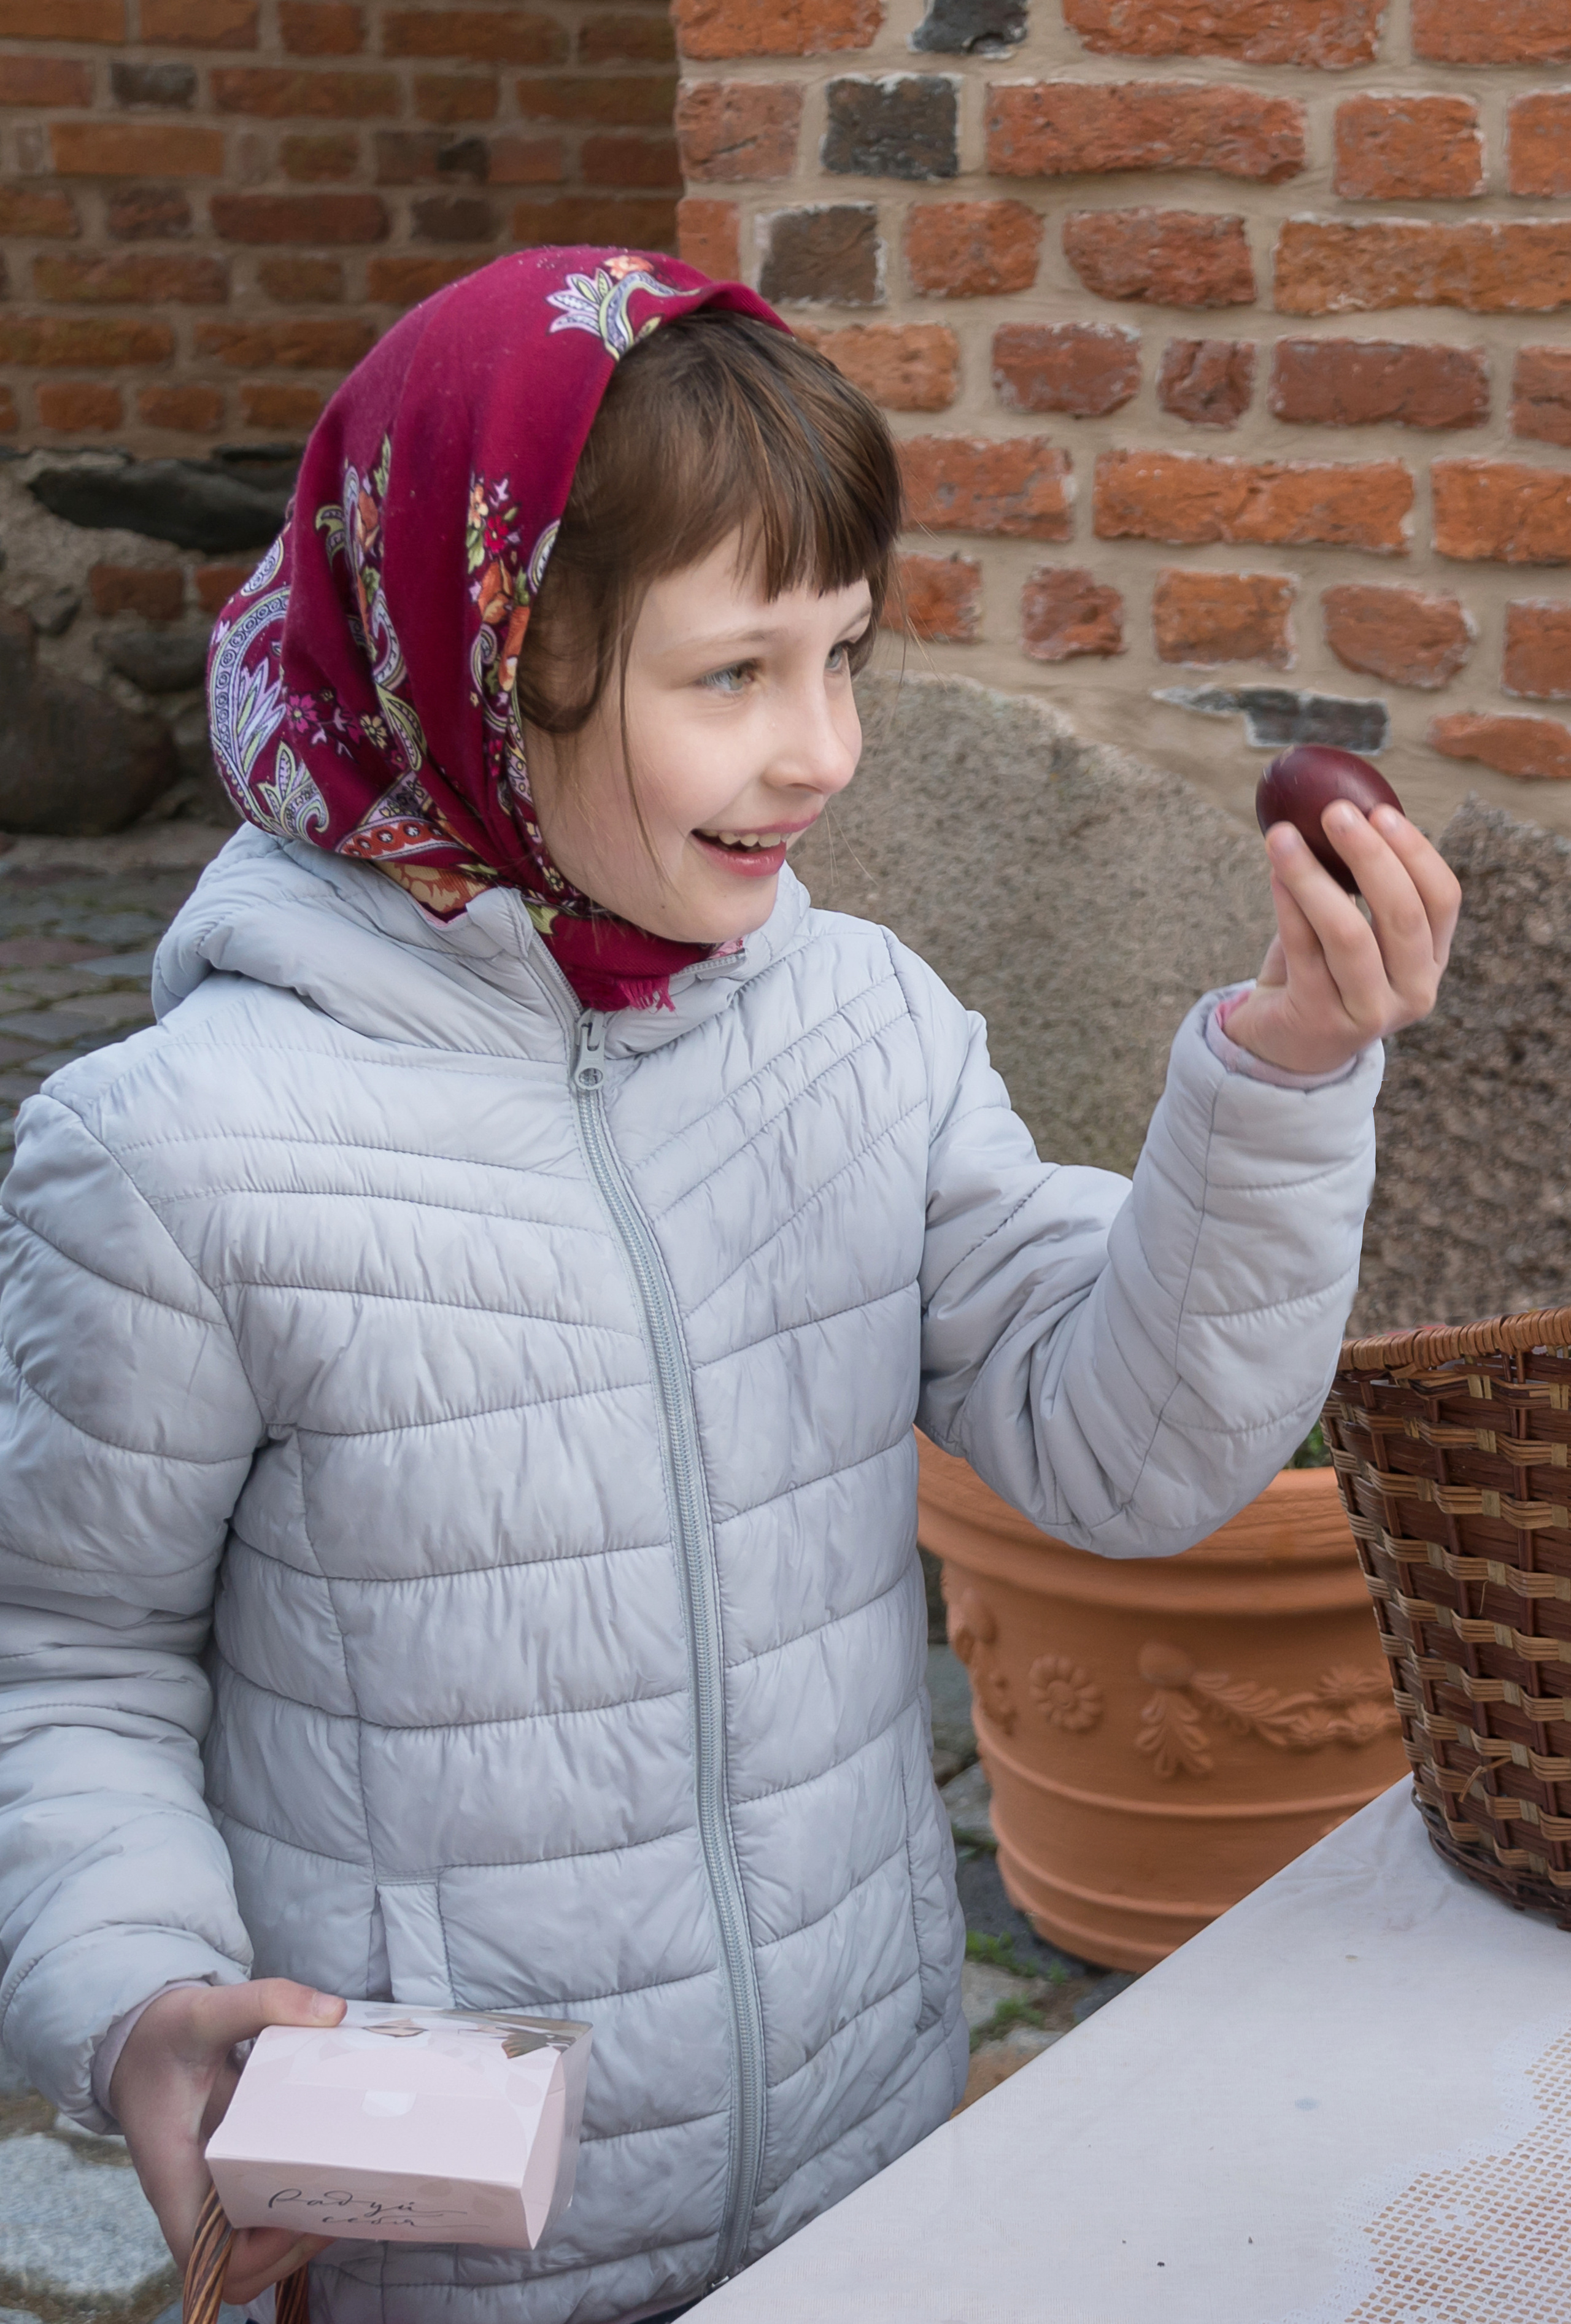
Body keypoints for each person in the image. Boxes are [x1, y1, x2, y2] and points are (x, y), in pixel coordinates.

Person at [0, 247, 1459, 2324]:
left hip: (870, 2159)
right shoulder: (175, 1151)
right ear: (485, 655)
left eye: (847, 656)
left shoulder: (855, 1021)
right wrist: (137, 1993)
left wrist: (1287, 1081)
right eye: (734, 676)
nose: (824, 750)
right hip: (459, 2247)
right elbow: (65, 1668)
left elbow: (1128, 1447)